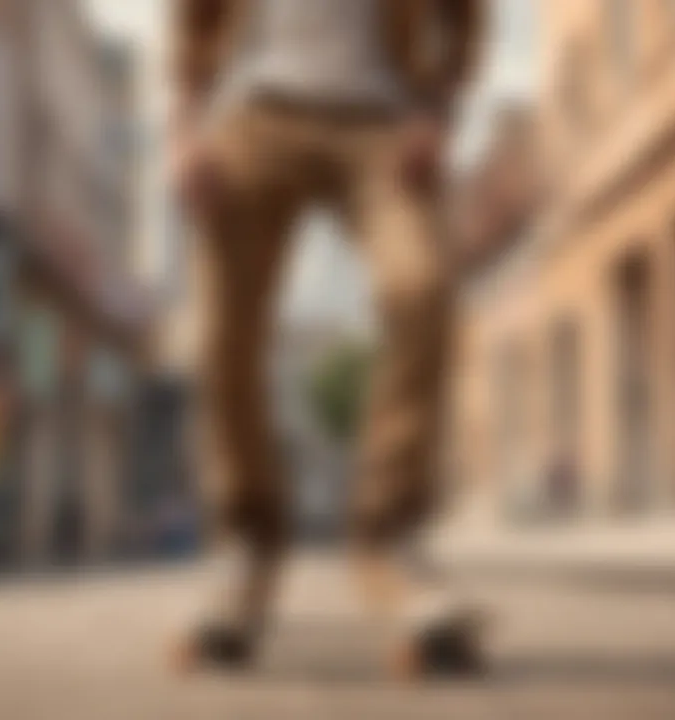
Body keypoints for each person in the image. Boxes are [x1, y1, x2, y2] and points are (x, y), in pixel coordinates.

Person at [169, 0, 486, 678]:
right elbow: (191, 18)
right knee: (221, 325)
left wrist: (438, 113)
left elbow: (464, 14)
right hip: (254, 112)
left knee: (423, 288)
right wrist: (185, 131)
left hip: (381, 119)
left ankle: (390, 536)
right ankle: (248, 547)